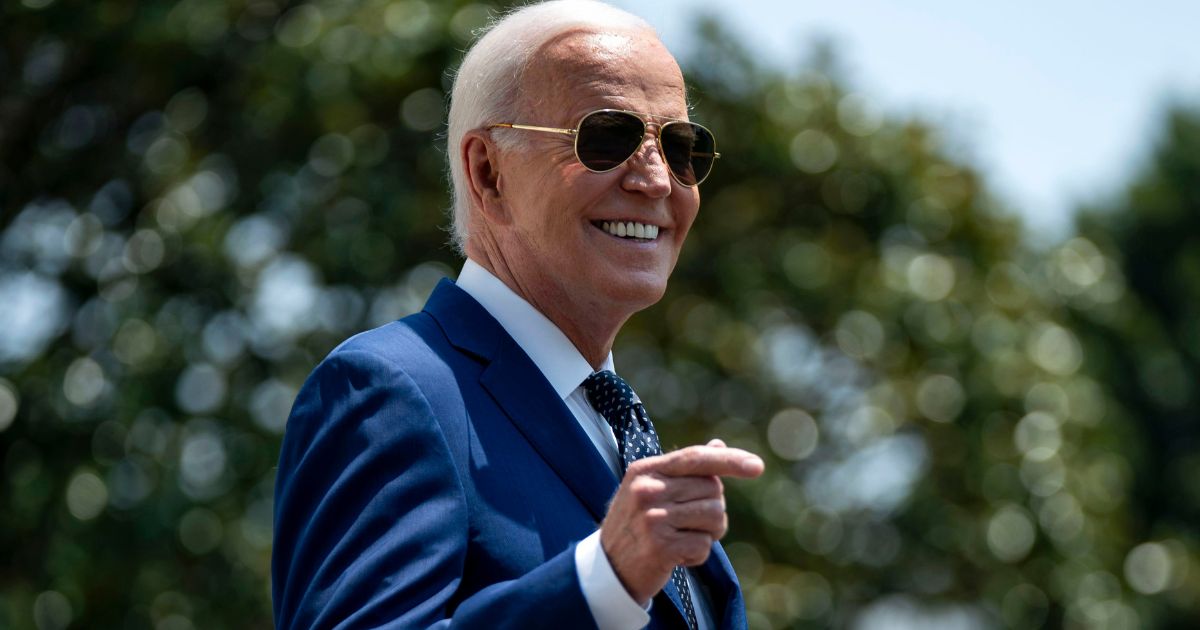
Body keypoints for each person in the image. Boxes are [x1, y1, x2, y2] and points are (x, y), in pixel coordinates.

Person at [271, 1, 765, 628]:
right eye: (607, 137)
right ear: (488, 172)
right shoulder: (391, 391)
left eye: (681, 146)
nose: (657, 181)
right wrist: (601, 581)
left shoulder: (613, 421)